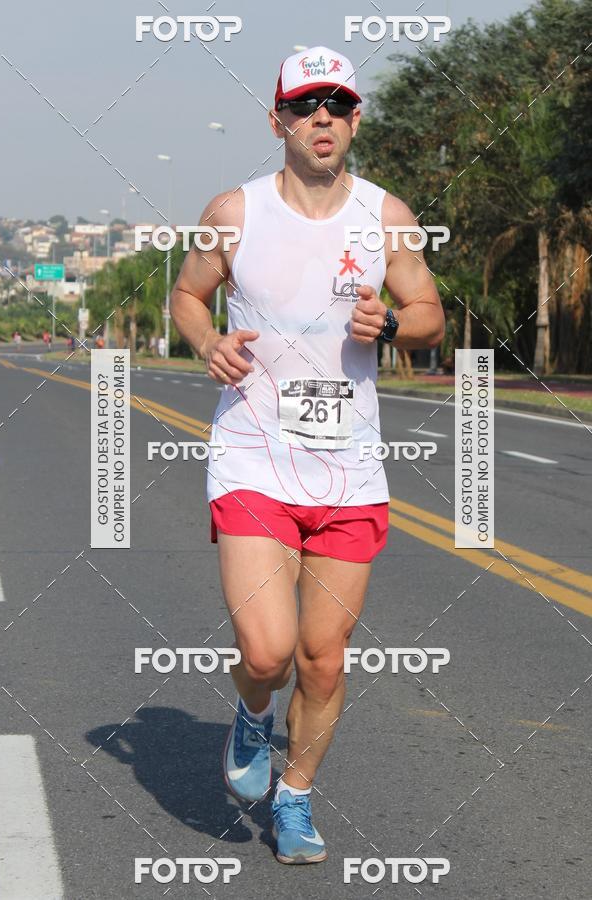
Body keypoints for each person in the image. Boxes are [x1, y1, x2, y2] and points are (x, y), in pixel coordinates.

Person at [171, 46, 445, 865]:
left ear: (355, 119)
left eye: (337, 104)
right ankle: (253, 710)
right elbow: (188, 294)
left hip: (350, 468)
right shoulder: (236, 210)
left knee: (323, 661)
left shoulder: (386, 215)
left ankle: (295, 797)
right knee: (268, 651)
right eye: (304, 105)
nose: (321, 118)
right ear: (278, 121)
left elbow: (428, 309)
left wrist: (393, 326)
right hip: (253, 457)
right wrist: (207, 340)